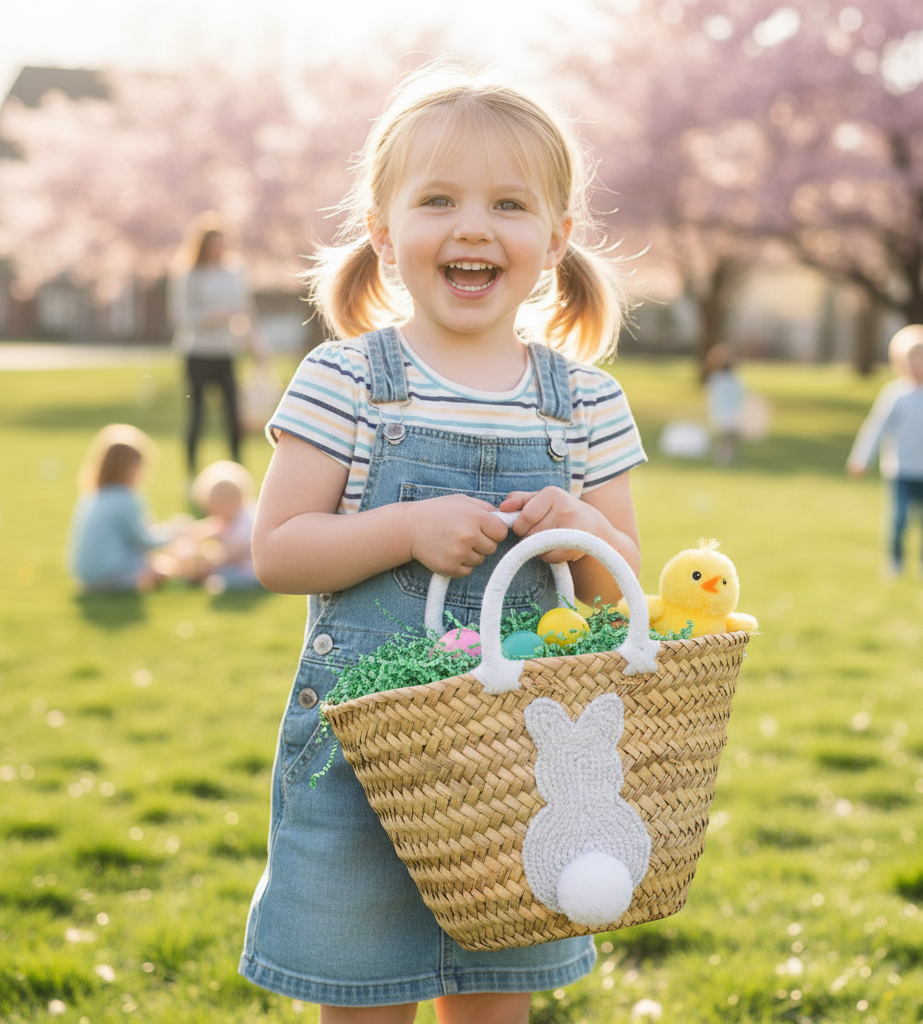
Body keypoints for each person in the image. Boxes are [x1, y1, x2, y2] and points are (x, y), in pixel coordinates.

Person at [238, 63, 647, 1024]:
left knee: (495, 998)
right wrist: (402, 530)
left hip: (526, 762)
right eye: (438, 201)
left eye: (508, 204)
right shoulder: (345, 381)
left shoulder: (584, 402)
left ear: (554, 240)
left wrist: (578, 527)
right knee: (364, 994)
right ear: (384, 232)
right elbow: (278, 549)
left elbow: (615, 587)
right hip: (368, 760)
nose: (472, 227)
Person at [169, 212, 267, 477]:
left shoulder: (235, 272)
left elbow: (246, 311)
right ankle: (191, 472)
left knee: (233, 415)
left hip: (227, 352)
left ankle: (237, 470)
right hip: (197, 352)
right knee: (197, 415)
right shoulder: (188, 274)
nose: (217, 249)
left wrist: (255, 344)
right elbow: (181, 316)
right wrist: (210, 317)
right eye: (212, 243)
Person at [848, 324, 923, 576]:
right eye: (913, 359)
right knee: (899, 520)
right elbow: (876, 428)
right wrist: (860, 457)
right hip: (901, 470)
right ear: (903, 362)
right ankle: (896, 562)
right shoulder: (895, 395)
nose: (917, 364)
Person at [68, 424, 174, 593]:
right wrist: (176, 533)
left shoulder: (93, 495)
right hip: (109, 575)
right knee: (163, 565)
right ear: (131, 468)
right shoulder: (125, 499)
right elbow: (145, 540)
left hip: (84, 576)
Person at [156, 460, 261, 593]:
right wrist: (186, 533)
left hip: (251, 571)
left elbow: (230, 555)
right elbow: (210, 528)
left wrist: (208, 562)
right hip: (238, 564)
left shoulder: (247, 525)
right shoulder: (232, 516)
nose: (211, 513)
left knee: (217, 582)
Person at [703, 343, 747, 465]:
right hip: (729, 414)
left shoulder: (717, 379)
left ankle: (725, 457)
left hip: (725, 414)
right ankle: (725, 457)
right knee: (729, 438)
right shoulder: (732, 380)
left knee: (727, 438)